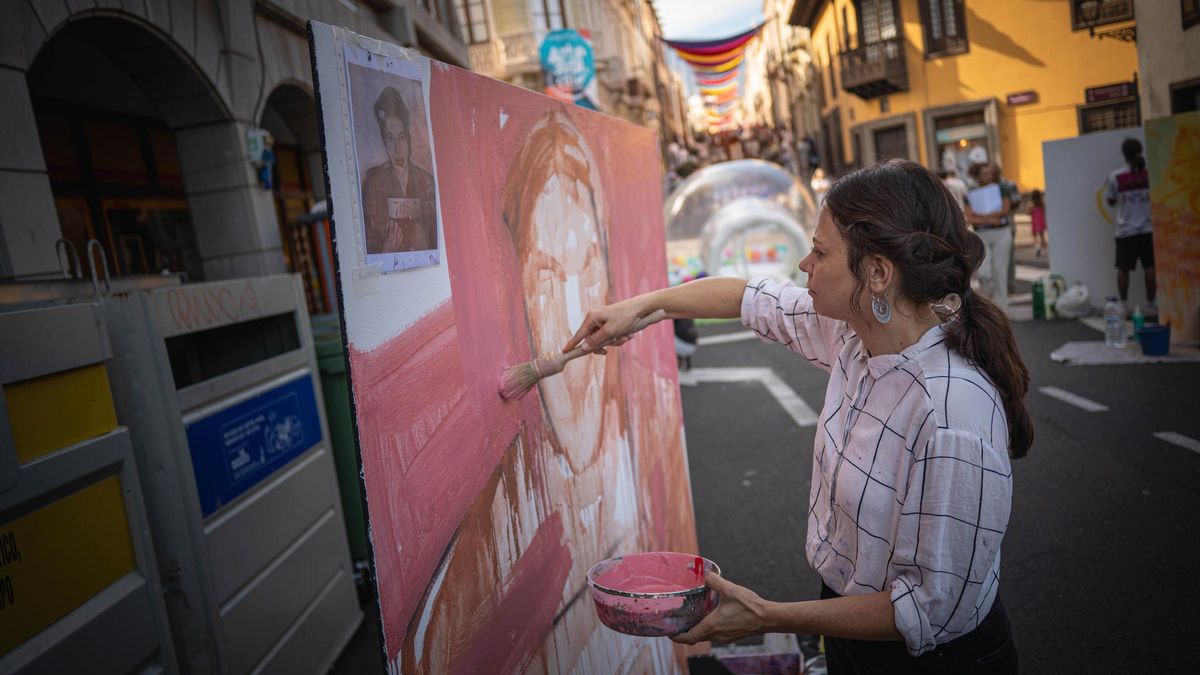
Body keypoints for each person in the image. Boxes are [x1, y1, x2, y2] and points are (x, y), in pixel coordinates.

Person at [565, 160, 1029, 674]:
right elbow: (746, 297)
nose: (805, 264)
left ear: (877, 273)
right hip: (850, 625)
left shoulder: (950, 414)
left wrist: (766, 616)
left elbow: (929, 609)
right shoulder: (857, 334)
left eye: (821, 251)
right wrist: (642, 306)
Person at [361, 86, 437, 254]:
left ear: (408, 138)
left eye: (401, 137)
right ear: (384, 141)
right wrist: (386, 250)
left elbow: (436, 237)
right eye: (390, 138)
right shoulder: (373, 182)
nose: (397, 147)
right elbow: (368, 244)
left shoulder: (426, 180)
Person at [1104, 137, 1156, 310]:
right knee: (1150, 267)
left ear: (1125, 155)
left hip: (1126, 230)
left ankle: (1124, 305)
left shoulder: (1116, 176)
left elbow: (1110, 201)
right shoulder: (1150, 173)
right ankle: (1150, 304)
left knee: (1123, 269)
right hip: (1148, 228)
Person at [963, 163, 1016, 311]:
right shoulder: (971, 193)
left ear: (995, 174)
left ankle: (1003, 309)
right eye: (983, 173)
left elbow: (1005, 210)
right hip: (982, 235)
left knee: (1000, 272)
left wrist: (981, 216)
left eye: (990, 173)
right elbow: (969, 217)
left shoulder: (1002, 189)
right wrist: (990, 219)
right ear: (978, 175)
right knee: (983, 271)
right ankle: (986, 302)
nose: (987, 176)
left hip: (1001, 234)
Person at [1030, 189, 1047, 257]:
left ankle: (1037, 247)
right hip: (1041, 221)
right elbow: (1045, 211)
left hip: (1034, 222)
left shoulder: (1031, 205)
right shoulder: (1042, 204)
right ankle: (1043, 250)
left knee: (1034, 235)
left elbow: (1028, 212)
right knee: (1042, 236)